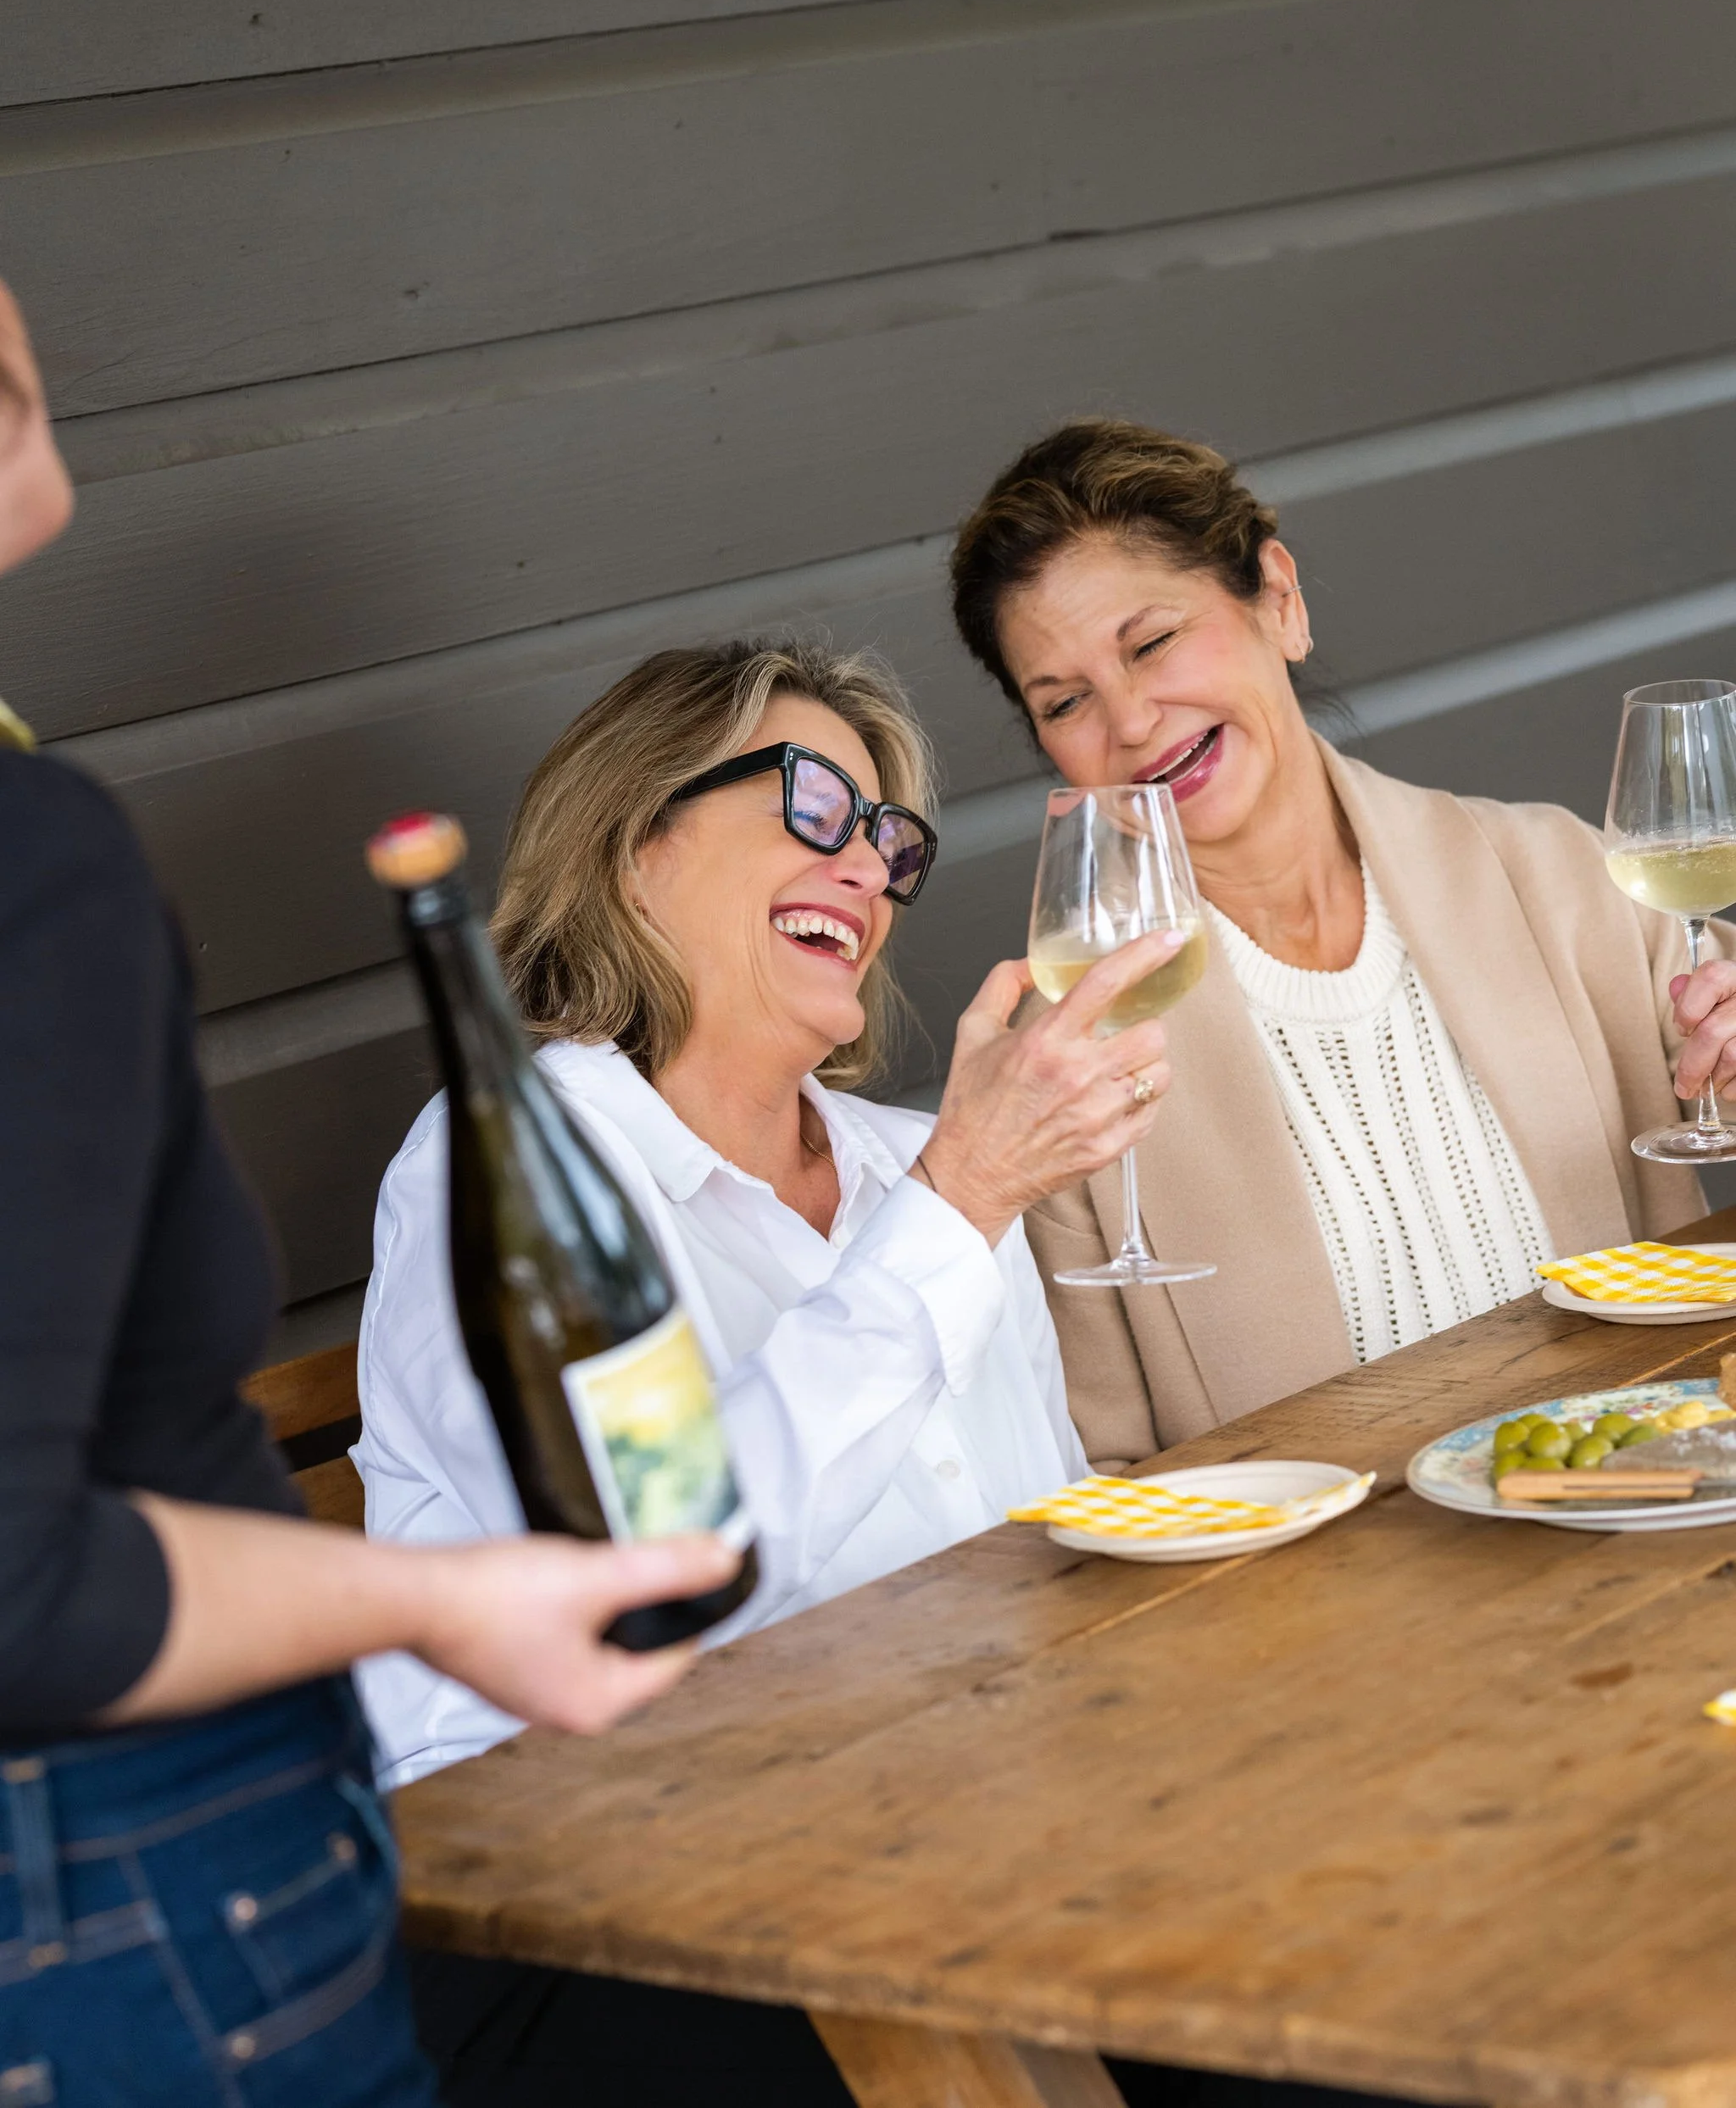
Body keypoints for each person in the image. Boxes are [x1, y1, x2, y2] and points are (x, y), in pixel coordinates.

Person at [0, 275, 739, 2105]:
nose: (55, 498)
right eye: (8, 406)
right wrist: (431, 1600)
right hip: (128, 1892)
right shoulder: (31, 865)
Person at [354, 637, 1182, 1786]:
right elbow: (661, 1570)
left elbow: (1038, 1525)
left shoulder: (912, 1171)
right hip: (597, 1850)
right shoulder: (501, 1168)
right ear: (635, 842)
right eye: (819, 804)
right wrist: (966, 1197)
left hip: (960, 1784)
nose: (867, 870)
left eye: (889, 842)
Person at [949, 418, 1736, 1465]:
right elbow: (1113, 1473)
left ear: (1277, 598)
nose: (1131, 720)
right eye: (1065, 700)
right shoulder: (1065, 1065)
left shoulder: (1560, 879)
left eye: (1151, 643)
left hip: (1650, 1536)